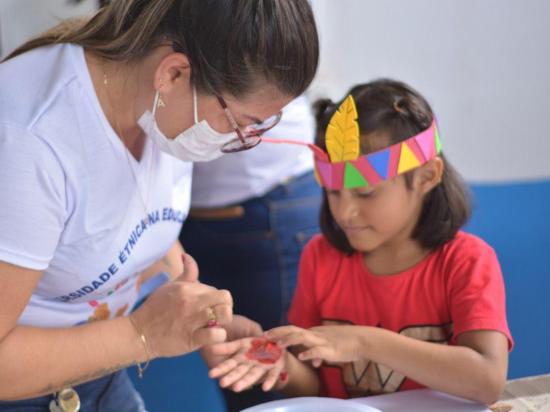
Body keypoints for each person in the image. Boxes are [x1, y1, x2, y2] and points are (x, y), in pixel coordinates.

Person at [0, 0, 319, 410]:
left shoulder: (159, 109)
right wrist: (142, 334)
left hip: (91, 376)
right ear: (172, 72)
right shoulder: (30, 141)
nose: (237, 142)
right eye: (240, 124)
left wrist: (192, 317)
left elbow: (134, 227)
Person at [207, 79, 513, 406]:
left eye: (366, 193)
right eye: (333, 193)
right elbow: (318, 390)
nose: (345, 211)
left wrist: (364, 342)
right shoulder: (320, 259)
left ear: (426, 177)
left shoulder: (466, 261)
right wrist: (281, 364)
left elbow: (488, 381)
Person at [181, 94, 321, 411]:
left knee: (269, 387)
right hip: (191, 217)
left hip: (267, 203)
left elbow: (316, 388)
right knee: (243, 375)